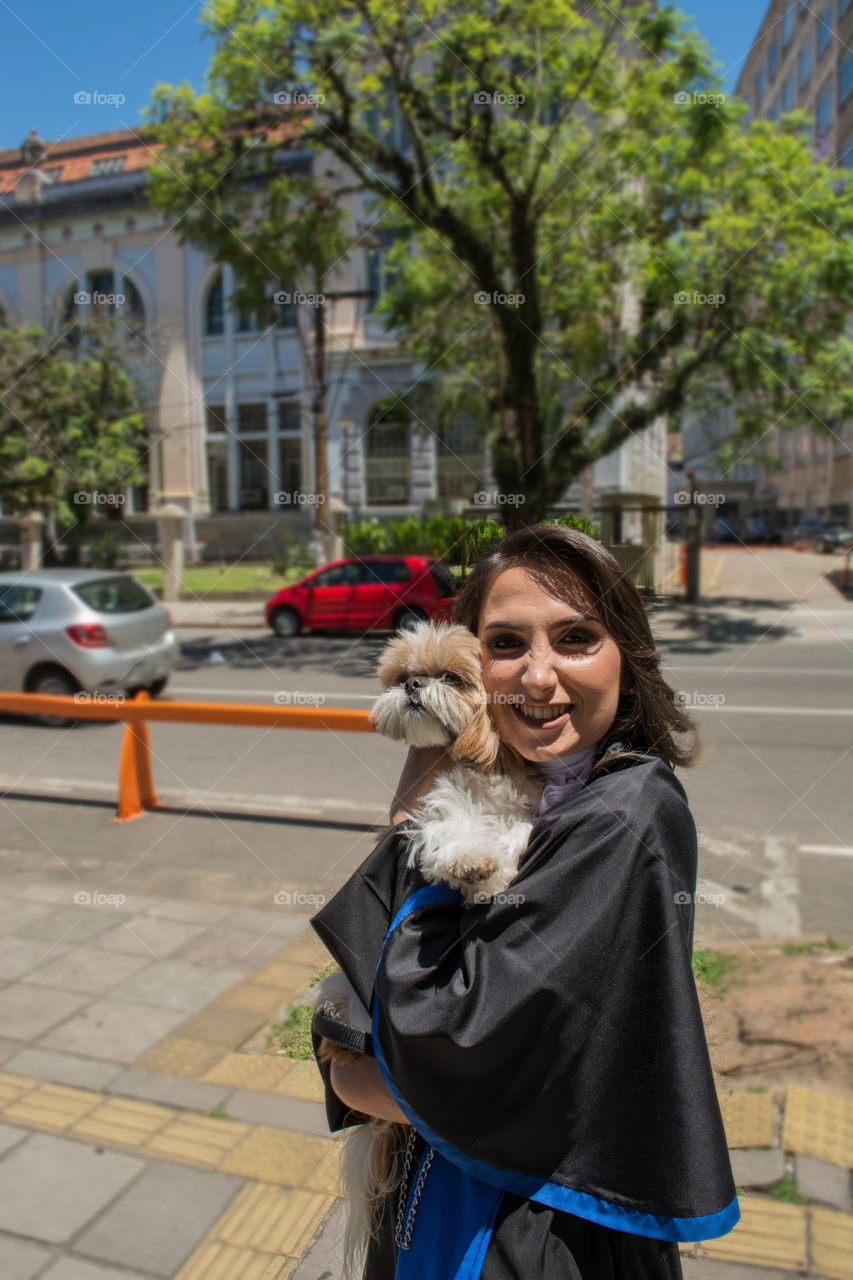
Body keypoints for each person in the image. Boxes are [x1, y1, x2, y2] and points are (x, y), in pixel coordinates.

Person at [311, 524, 738, 1280]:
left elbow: (453, 1041)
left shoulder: (623, 813)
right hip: (442, 1190)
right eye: (506, 644)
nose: (537, 677)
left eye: (576, 637)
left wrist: (348, 1065)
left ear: (628, 661)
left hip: (540, 1229)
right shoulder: (524, 786)